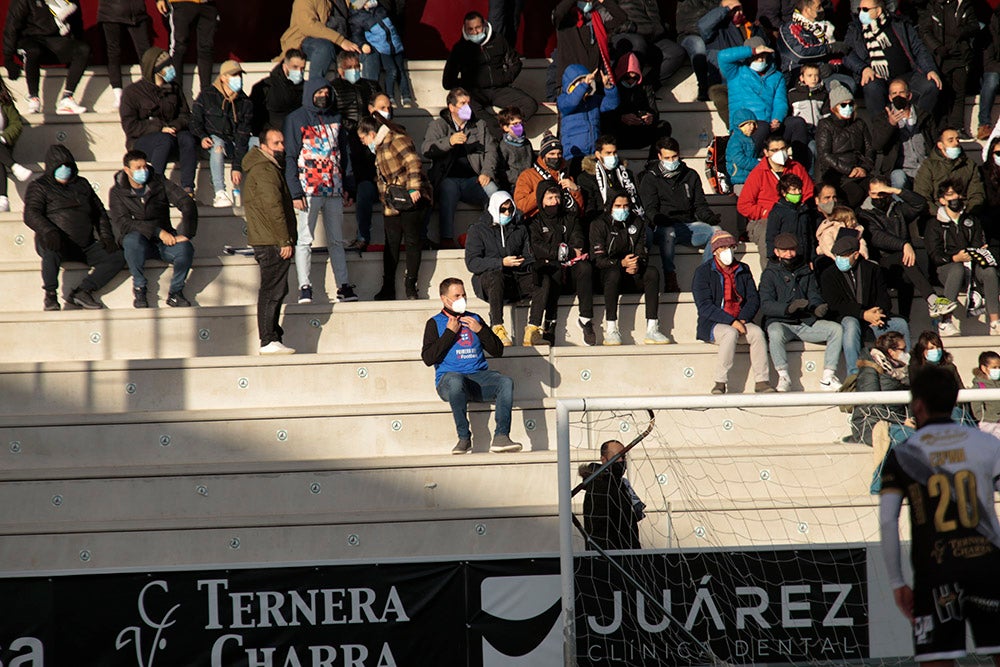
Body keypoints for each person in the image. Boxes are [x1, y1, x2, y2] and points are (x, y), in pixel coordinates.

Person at [880, 365, 1000, 667]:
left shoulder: (904, 453)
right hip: (988, 565)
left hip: (936, 570)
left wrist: (897, 581)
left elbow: (887, 520)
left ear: (917, 405)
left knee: (936, 660)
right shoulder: (986, 443)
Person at [422, 277, 523, 455]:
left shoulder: (475, 319)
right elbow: (428, 358)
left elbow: (498, 350)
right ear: (445, 299)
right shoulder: (435, 323)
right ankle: (464, 438)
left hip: (477, 378)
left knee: (505, 382)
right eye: (457, 295)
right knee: (456, 381)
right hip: (449, 381)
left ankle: (501, 437)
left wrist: (481, 330)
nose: (462, 298)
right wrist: (449, 333)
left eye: (464, 294)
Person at [23, 145, 125, 311]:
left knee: (119, 256)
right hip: (57, 242)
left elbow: (99, 213)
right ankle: (50, 295)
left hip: (85, 245)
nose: (64, 169)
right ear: (51, 167)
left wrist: (106, 237)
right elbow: (31, 213)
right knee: (50, 251)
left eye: (68, 165)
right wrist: (49, 231)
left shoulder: (82, 184)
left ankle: (83, 291)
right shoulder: (39, 186)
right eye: (59, 166)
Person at [284, 79, 357, 305]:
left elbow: (344, 154)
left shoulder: (336, 118)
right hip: (308, 190)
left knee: (336, 240)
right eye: (319, 91)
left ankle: (343, 286)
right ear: (310, 93)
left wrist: (348, 186)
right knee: (305, 239)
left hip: (334, 189)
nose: (323, 95)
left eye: (326, 91)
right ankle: (304, 286)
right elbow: (290, 156)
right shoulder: (295, 118)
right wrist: (295, 192)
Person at [109, 149, 197, 309]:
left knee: (185, 249)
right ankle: (139, 288)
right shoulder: (117, 192)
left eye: (144, 166)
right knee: (132, 240)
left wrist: (188, 233)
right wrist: (158, 232)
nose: (143, 171)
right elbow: (124, 223)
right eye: (138, 168)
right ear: (127, 170)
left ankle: (176, 292)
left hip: (162, 243)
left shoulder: (159, 182)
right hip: (138, 243)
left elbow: (186, 202)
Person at [358, 115, 431, 300]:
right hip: (392, 202)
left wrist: (414, 186)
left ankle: (410, 284)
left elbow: (413, 161)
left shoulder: (394, 139)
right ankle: (388, 287)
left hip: (409, 197)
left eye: (363, 138)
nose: (363, 143)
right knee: (391, 245)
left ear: (372, 133)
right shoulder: (380, 147)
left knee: (412, 241)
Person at [692, 230, 775, 394]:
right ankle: (720, 382)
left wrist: (743, 319)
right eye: (723, 247)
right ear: (715, 251)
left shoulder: (743, 269)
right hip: (714, 323)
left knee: (757, 333)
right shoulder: (703, 272)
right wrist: (732, 321)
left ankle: (762, 381)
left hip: (741, 320)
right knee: (729, 333)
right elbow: (704, 306)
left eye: (730, 246)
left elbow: (753, 299)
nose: (727, 250)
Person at [860, 176, 952, 321]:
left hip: (903, 266)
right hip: (881, 265)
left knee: (907, 276)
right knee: (904, 259)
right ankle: (932, 299)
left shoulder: (897, 209)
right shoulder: (864, 214)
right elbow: (877, 237)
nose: (878, 197)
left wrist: (897, 190)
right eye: (874, 194)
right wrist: (904, 244)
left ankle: (905, 319)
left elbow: (920, 204)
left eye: (882, 193)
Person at [760, 232, 842, 391]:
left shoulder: (805, 271)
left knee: (836, 329)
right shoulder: (769, 274)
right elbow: (766, 304)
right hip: (781, 323)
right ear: (776, 252)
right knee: (774, 331)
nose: (789, 254)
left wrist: (816, 308)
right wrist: (788, 308)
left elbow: (814, 294)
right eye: (784, 251)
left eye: (792, 250)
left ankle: (828, 376)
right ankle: (783, 376)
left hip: (804, 322)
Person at [639, 136, 722, 293]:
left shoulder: (690, 175)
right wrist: (660, 219)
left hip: (687, 226)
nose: (671, 160)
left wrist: (710, 218)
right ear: (659, 157)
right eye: (667, 158)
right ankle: (670, 276)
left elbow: (699, 205)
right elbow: (649, 209)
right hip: (662, 227)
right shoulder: (649, 178)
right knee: (668, 231)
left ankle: (705, 276)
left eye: (674, 156)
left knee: (716, 232)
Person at [820, 233, 909, 375]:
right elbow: (835, 304)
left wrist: (877, 313)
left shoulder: (872, 269)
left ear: (855, 255)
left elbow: (883, 298)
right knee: (850, 323)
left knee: (900, 324)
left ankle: (905, 370)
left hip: (873, 319)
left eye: (844, 256)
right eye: (838, 256)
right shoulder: (828, 274)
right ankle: (854, 374)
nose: (839, 259)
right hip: (848, 318)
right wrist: (863, 314)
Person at [242, 127, 298, 355]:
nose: (282, 148)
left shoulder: (266, 168)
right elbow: (273, 207)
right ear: (263, 146)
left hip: (269, 239)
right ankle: (268, 339)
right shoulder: (265, 170)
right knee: (272, 290)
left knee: (277, 288)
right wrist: (284, 240)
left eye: (282, 143)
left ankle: (273, 334)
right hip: (272, 241)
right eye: (276, 144)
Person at [422, 88, 499, 250]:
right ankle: (447, 238)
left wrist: (486, 172)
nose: (467, 107)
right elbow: (426, 149)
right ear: (452, 107)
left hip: (473, 179)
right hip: (447, 179)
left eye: (469, 103)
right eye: (463, 104)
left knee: (494, 192)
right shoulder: (438, 125)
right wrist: (448, 142)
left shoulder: (479, 125)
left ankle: (491, 235)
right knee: (448, 189)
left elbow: (491, 150)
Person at [591, 192, 670, 345]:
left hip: (630, 273)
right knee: (613, 273)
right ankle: (612, 328)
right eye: (618, 206)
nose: (623, 209)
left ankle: (652, 328)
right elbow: (598, 261)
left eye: (626, 206)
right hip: (607, 276)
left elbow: (642, 252)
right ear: (610, 207)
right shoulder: (599, 224)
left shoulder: (637, 222)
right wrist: (621, 264)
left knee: (652, 272)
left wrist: (637, 264)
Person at [442, 12, 538, 137]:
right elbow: (448, 81)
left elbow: (515, 63)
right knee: (468, 110)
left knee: (530, 104)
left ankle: (508, 126)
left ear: (485, 25)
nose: (475, 32)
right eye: (470, 29)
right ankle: (501, 132)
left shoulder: (498, 40)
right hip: (474, 93)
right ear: (465, 29)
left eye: (478, 28)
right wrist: (465, 85)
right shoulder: (459, 48)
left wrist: (505, 78)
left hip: (499, 89)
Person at [925, 179, 1000, 337]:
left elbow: (978, 242)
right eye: (951, 195)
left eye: (958, 194)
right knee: (957, 269)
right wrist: (954, 258)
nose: (956, 198)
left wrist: (980, 251)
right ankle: (945, 322)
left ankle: (995, 322)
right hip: (946, 269)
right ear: (942, 200)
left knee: (990, 271)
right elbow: (935, 255)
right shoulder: (934, 224)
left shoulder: (972, 221)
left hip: (972, 266)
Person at [843, 0, 942, 119]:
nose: (860, 13)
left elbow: (919, 48)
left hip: (907, 75)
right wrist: (863, 69)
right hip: (878, 78)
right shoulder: (855, 30)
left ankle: (917, 126)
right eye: (859, 10)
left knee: (931, 85)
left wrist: (930, 69)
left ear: (878, 10)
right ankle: (883, 129)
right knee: (872, 87)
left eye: (865, 10)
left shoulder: (898, 23)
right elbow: (846, 54)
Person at [526, 180, 596, 345]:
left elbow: (578, 241)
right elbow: (538, 248)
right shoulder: (535, 223)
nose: (554, 202)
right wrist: (566, 252)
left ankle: (586, 319)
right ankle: (550, 322)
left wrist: (561, 253)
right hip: (551, 275)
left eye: (557, 197)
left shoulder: (570, 219)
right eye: (550, 198)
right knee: (552, 268)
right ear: (541, 200)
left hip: (571, 274)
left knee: (585, 267)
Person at [120, 47, 197, 197]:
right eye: (167, 66)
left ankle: (188, 188)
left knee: (187, 138)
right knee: (164, 139)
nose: (171, 69)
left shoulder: (174, 88)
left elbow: (185, 115)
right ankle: (156, 186)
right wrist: (160, 127)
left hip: (172, 137)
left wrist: (175, 126)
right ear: (156, 70)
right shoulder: (132, 93)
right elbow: (130, 126)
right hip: (142, 142)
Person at [718, 38, 809, 159]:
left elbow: (780, 102)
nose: (761, 59)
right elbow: (722, 56)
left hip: (770, 127)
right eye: (757, 56)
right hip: (748, 129)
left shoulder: (777, 76)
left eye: (763, 56)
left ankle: (800, 167)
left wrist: (777, 119)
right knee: (762, 127)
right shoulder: (736, 72)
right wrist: (753, 50)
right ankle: (750, 160)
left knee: (797, 123)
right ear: (749, 56)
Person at [464, 190, 534, 346]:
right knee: (496, 275)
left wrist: (521, 262)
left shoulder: (519, 228)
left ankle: (534, 327)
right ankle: (497, 326)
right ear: (494, 208)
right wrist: (501, 262)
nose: (507, 213)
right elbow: (472, 263)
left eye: (510, 209)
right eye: (503, 210)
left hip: (514, 277)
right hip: (489, 280)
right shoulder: (477, 230)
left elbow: (528, 256)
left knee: (542, 277)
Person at [330, 50, 382, 253]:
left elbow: (383, 109)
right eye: (350, 67)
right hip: (349, 143)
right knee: (363, 189)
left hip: (372, 143)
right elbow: (332, 115)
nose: (355, 71)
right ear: (341, 70)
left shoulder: (371, 85)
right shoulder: (333, 88)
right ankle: (362, 236)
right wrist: (352, 126)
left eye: (357, 66)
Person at [3, 0, 90, 114]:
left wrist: (76, 55)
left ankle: (67, 99)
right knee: (33, 50)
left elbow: (77, 25)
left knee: (83, 49)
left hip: (54, 42)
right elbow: (12, 26)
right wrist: (8, 58)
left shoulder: (68, 1)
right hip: (29, 40)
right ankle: (33, 97)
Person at [191, 60, 254, 209]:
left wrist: (236, 166)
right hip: (211, 144)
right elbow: (194, 121)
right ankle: (220, 192)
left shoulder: (245, 102)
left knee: (258, 143)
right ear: (223, 78)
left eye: (239, 75)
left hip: (234, 144)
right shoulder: (207, 95)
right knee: (217, 144)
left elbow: (243, 135)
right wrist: (202, 137)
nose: (238, 78)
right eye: (234, 75)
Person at [737, 133, 814, 249]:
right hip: (765, 220)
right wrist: (765, 213)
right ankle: (770, 266)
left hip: (794, 215)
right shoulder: (758, 173)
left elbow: (809, 192)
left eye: (783, 149)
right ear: (766, 152)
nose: (780, 153)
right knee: (767, 234)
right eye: (774, 150)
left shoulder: (796, 168)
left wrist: (799, 209)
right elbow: (743, 205)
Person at [918, 0, 978, 138]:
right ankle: (942, 127)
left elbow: (974, 26)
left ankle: (957, 127)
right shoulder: (932, 6)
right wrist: (937, 47)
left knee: (959, 93)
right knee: (942, 92)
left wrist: (961, 31)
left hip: (960, 56)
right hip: (941, 57)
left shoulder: (965, 5)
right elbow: (925, 30)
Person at [552, 0, 629, 97]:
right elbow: (559, 13)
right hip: (572, 83)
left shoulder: (597, 22)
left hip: (594, 82)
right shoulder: (565, 23)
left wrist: (603, 0)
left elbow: (621, 18)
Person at [814, 81, 873, 208]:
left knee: (876, 188)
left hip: (859, 170)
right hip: (837, 174)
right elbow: (824, 155)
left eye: (850, 104)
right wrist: (849, 170)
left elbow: (869, 149)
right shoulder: (825, 125)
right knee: (854, 193)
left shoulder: (859, 124)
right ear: (834, 107)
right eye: (843, 105)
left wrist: (864, 168)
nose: (848, 108)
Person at [601, 52, 672, 154]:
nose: (630, 81)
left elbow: (654, 111)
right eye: (627, 77)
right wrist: (621, 118)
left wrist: (649, 117)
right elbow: (605, 114)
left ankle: (653, 163)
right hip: (617, 133)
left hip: (638, 131)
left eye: (634, 78)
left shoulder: (645, 85)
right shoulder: (610, 86)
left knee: (664, 126)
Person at [579, 439, 644, 550]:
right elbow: (598, 530)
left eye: (624, 456)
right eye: (618, 456)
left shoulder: (620, 485)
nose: (622, 460)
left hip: (628, 555)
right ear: (604, 460)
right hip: (611, 558)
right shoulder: (600, 486)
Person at [871, 77, 933, 191]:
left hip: (925, 168)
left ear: (909, 95)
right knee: (898, 179)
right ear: (890, 98)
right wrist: (890, 125)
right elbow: (877, 145)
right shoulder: (883, 118)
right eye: (894, 93)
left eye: (901, 92)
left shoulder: (923, 116)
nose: (898, 96)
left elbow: (934, 141)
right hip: (901, 170)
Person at [347, 0, 413, 106]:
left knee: (401, 71)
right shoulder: (356, 19)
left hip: (395, 45)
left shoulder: (380, 10)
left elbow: (393, 24)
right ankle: (389, 96)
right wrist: (363, 44)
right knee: (392, 71)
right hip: (382, 48)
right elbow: (356, 35)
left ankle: (406, 96)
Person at [277, 0, 360, 82]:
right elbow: (308, 26)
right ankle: (314, 89)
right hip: (305, 41)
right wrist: (341, 41)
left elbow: (360, 11)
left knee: (366, 52)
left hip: (340, 44)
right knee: (324, 48)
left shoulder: (344, 2)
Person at [851, 331, 910, 444]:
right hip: (870, 424)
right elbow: (872, 405)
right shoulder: (869, 368)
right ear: (891, 352)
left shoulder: (902, 370)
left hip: (896, 423)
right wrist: (903, 421)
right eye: (903, 350)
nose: (906, 353)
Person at [914, 126, 985, 215]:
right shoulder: (929, 165)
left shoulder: (969, 164)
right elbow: (922, 195)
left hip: (964, 213)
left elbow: (977, 193)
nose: (956, 143)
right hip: (937, 214)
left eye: (957, 139)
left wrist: (966, 212)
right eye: (950, 140)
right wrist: (940, 214)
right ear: (940, 145)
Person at [778, 0, 851, 85]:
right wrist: (829, 48)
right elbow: (800, 54)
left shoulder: (825, 27)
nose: (822, 10)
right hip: (797, 74)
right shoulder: (788, 28)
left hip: (820, 72)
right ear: (807, 10)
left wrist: (833, 67)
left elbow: (839, 55)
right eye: (818, 7)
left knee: (848, 83)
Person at [578, 134, 643, 229]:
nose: (612, 156)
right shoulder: (586, 177)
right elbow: (589, 207)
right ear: (598, 154)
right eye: (608, 153)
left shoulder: (626, 174)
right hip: (602, 225)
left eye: (614, 152)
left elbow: (635, 197)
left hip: (628, 221)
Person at [513, 133, 584, 218]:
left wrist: (575, 190)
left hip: (565, 221)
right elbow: (521, 206)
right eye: (552, 154)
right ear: (543, 156)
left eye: (559, 153)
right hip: (538, 222)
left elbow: (580, 211)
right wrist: (541, 192)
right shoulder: (528, 176)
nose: (556, 157)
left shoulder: (566, 177)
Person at [154, 0, 218, 94]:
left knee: (207, 48)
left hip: (208, 4)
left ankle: (206, 96)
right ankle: (176, 95)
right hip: (181, 3)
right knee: (179, 47)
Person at [557, 65, 619, 161]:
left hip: (594, 152)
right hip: (574, 153)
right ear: (571, 85)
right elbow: (571, 102)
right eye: (580, 81)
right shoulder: (563, 99)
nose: (585, 83)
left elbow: (612, 104)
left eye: (586, 80)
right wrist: (584, 84)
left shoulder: (594, 100)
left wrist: (608, 87)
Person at [98, 0, 152, 110]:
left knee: (145, 54)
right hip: (112, 11)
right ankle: (119, 95)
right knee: (115, 52)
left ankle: (149, 92)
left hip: (136, 12)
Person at [250, 48, 307, 135]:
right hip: (271, 139)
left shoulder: (307, 88)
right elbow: (255, 117)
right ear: (285, 66)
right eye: (295, 67)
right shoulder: (266, 86)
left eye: (302, 68)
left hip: (300, 136)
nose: (299, 71)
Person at [764, 172, 814, 267]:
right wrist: (774, 258)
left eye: (799, 189)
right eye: (794, 190)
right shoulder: (777, 212)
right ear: (784, 192)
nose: (798, 192)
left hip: (803, 259)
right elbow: (771, 237)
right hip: (785, 259)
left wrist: (811, 258)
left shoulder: (804, 210)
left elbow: (809, 237)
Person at [0, 77, 32, 212]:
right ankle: (14, 166)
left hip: (2, 143)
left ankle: (2, 200)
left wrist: (4, 137)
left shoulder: (4, 103)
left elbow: (16, 124)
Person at [496, 106, 534, 192]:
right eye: (515, 124)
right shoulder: (504, 146)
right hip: (513, 185)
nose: (519, 126)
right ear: (505, 127)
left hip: (529, 181)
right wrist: (520, 178)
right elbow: (501, 171)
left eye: (520, 123)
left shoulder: (526, 142)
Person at [979, 7, 1000, 140]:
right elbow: (988, 62)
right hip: (993, 69)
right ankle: (984, 124)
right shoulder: (990, 31)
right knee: (992, 80)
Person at [726, 109, 760, 187]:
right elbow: (740, 160)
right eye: (748, 124)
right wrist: (758, 164)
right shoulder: (735, 140)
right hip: (739, 179)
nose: (752, 127)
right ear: (739, 126)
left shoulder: (749, 139)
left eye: (753, 124)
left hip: (749, 177)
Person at [971, 350, 1000, 438]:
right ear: (984, 368)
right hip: (989, 425)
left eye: (999, 367)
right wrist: (994, 419)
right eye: (994, 367)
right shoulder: (979, 386)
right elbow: (977, 412)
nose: (998, 370)